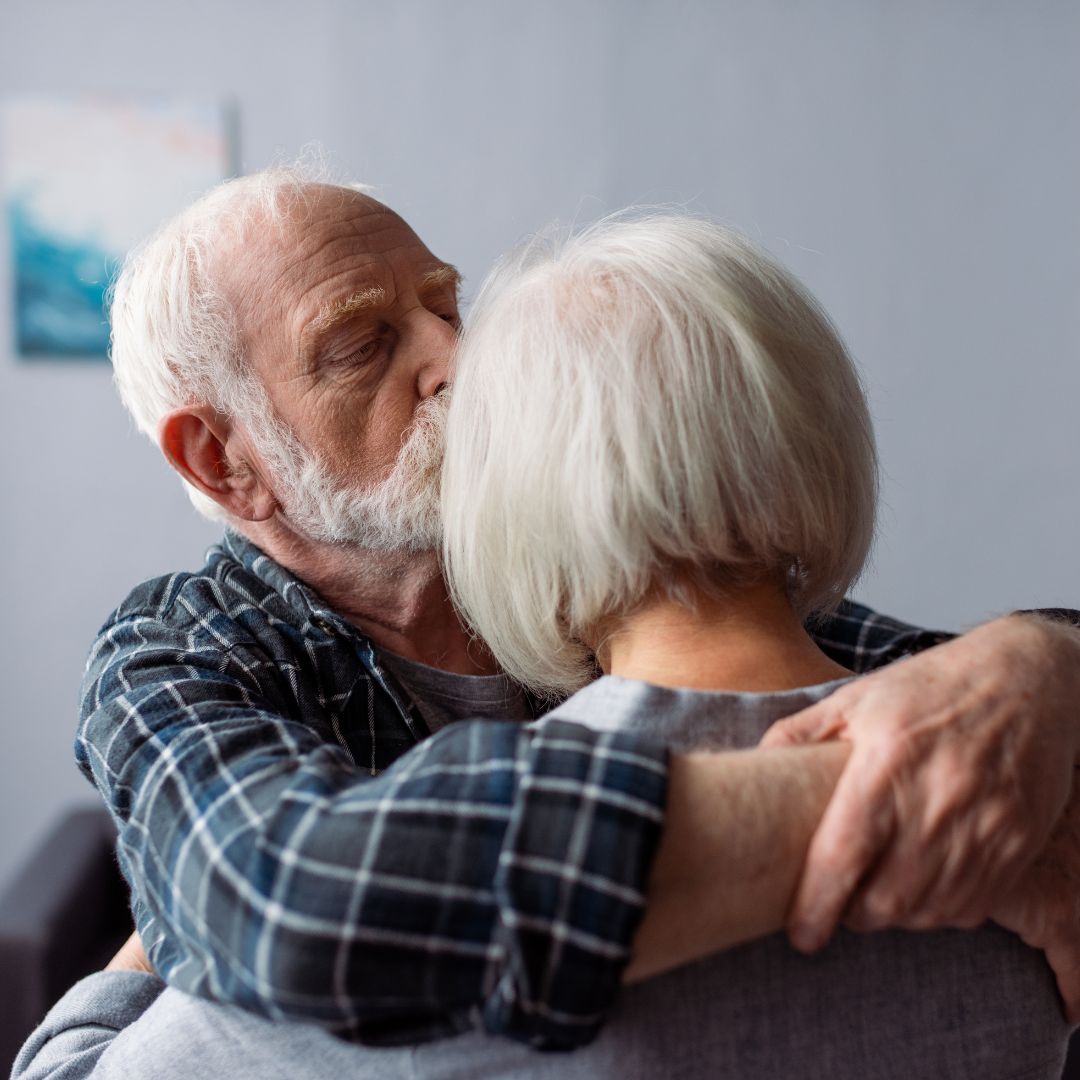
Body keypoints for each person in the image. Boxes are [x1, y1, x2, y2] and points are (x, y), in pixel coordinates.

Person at [15, 208, 1077, 1080]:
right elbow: (297, 901)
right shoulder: (182, 652)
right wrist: (884, 807)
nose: (456, 357)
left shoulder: (649, 572)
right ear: (220, 459)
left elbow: (874, 678)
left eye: (446, 303)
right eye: (361, 342)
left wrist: (1042, 661)